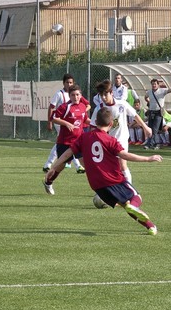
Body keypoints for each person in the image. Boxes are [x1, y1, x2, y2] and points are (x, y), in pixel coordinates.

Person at [46, 107, 162, 235]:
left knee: (125, 204)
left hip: (96, 185)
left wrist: (54, 167)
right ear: (111, 124)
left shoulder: (84, 137)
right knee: (136, 197)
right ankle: (136, 208)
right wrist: (148, 158)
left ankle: (150, 227)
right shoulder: (111, 140)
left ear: (95, 121)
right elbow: (125, 155)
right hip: (113, 179)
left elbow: (68, 153)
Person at [90, 80, 152, 184]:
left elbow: (135, 115)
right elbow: (92, 126)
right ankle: (112, 188)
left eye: (105, 94)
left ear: (111, 93)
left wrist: (145, 127)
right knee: (110, 167)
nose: (103, 97)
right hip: (107, 142)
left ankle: (130, 189)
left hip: (121, 139)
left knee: (123, 165)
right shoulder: (99, 108)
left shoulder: (122, 104)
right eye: (101, 95)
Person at [42, 85, 90, 195]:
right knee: (60, 166)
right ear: (69, 96)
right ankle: (48, 182)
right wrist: (66, 123)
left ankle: (99, 189)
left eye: (77, 94)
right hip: (65, 142)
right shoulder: (65, 107)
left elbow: (85, 119)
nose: (75, 97)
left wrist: (96, 124)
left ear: (81, 95)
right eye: (73, 95)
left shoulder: (83, 106)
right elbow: (53, 118)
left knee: (87, 164)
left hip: (78, 141)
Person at [43, 73, 87, 173]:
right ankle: (52, 165)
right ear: (63, 83)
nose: (69, 84)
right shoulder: (60, 94)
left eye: (71, 82)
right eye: (67, 82)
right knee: (65, 142)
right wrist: (50, 122)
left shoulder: (78, 98)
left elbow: (87, 105)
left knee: (73, 143)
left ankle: (75, 165)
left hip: (74, 122)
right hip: (61, 122)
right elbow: (52, 108)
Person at [144, 78, 171, 150]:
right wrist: (149, 102)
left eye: (155, 84)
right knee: (150, 129)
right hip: (151, 112)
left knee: (155, 129)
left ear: (158, 85)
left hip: (158, 112)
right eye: (152, 84)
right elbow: (146, 97)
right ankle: (152, 144)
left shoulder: (162, 91)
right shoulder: (149, 92)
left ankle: (153, 144)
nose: (154, 85)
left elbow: (169, 90)